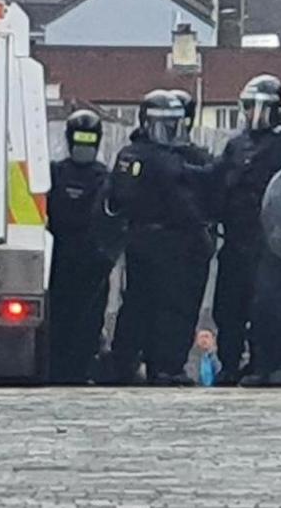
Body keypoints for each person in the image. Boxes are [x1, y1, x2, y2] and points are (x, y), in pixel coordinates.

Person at [108, 90, 218, 385]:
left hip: (179, 242)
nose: (169, 132)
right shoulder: (135, 155)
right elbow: (119, 196)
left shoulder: (190, 156)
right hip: (152, 238)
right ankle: (132, 362)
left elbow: (212, 188)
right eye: (162, 124)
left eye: (174, 124)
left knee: (173, 307)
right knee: (143, 304)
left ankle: (162, 365)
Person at [213, 74, 281, 386]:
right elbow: (219, 183)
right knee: (230, 304)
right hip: (237, 236)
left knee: (269, 300)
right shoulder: (237, 144)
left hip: (276, 238)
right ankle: (239, 364)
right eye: (248, 107)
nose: (252, 114)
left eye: (259, 107)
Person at [46, 109, 118, 383]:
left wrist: (107, 255)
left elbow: (116, 218)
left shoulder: (105, 177)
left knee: (88, 321)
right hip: (61, 258)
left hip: (91, 262)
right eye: (80, 139)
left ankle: (79, 369)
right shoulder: (56, 172)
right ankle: (58, 369)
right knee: (59, 317)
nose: (84, 146)